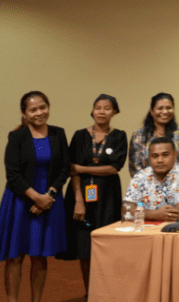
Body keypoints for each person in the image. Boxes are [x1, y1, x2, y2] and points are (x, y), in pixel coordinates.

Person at [0, 91, 69, 302]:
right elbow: (12, 174)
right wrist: (36, 198)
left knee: (40, 257)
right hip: (20, 201)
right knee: (15, 257)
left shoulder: (58, 133)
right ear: (24, 113)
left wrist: (48, 197)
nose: (39, 112)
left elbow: (64, 169)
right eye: (33, 109)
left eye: (42, 107)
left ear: (48, 107)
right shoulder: (17, 137)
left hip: (49, 201)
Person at [57, 94, 127, 296]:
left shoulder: (119, 136)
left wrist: (82, 167)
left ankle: (106, 291)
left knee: (106, 244)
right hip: (82, 195)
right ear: (92, 110)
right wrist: (79, 200)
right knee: (84, 246)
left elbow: (115, 168)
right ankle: (90, 292)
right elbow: (72, 169)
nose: (102, 111)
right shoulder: (80, 135)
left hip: (108, 197)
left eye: (107, 108)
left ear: (114, 112)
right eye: (98, 107)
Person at [123, 137, 179, 221]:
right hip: (146, 230)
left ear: (175, 155)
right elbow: (126, 211)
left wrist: (142, 213)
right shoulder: (140, 177)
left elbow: (178, 215)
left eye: (165, 155)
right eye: (155, 156)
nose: (160, 160)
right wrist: (155, 214)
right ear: (149, 157)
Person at [128, 92, 179, 177]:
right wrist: (151, 184)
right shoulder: (138, 136)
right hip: (145, 186)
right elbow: (134, 167)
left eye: (169, 108)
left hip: (175, 185)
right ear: (152, 111)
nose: (164, 112)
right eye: (160, 108)